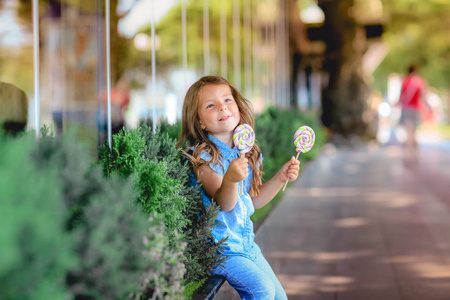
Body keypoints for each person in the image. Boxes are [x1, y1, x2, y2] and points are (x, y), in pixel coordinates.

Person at [177, 75, 299, 299]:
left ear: (238, 107)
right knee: (262, 289)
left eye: (227, 100)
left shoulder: (247, 152)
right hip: (220, 250)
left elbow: (252, 200)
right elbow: (224, 203)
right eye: (211, 105)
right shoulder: (204, 157)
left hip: (245, 244)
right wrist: (231, 179)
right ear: (200, 121)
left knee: (279, 296)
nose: (222, 107)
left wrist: (280, 178)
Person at [398, 64, 428, 157]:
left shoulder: (405, 81)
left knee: (408, 131)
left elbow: (401, 96)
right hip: (416, 108)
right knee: (414, 132)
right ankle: (415, 150)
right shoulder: (421, 81)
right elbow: (423, 97)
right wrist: (426, 106)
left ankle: (408, 150)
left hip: (407, 108)